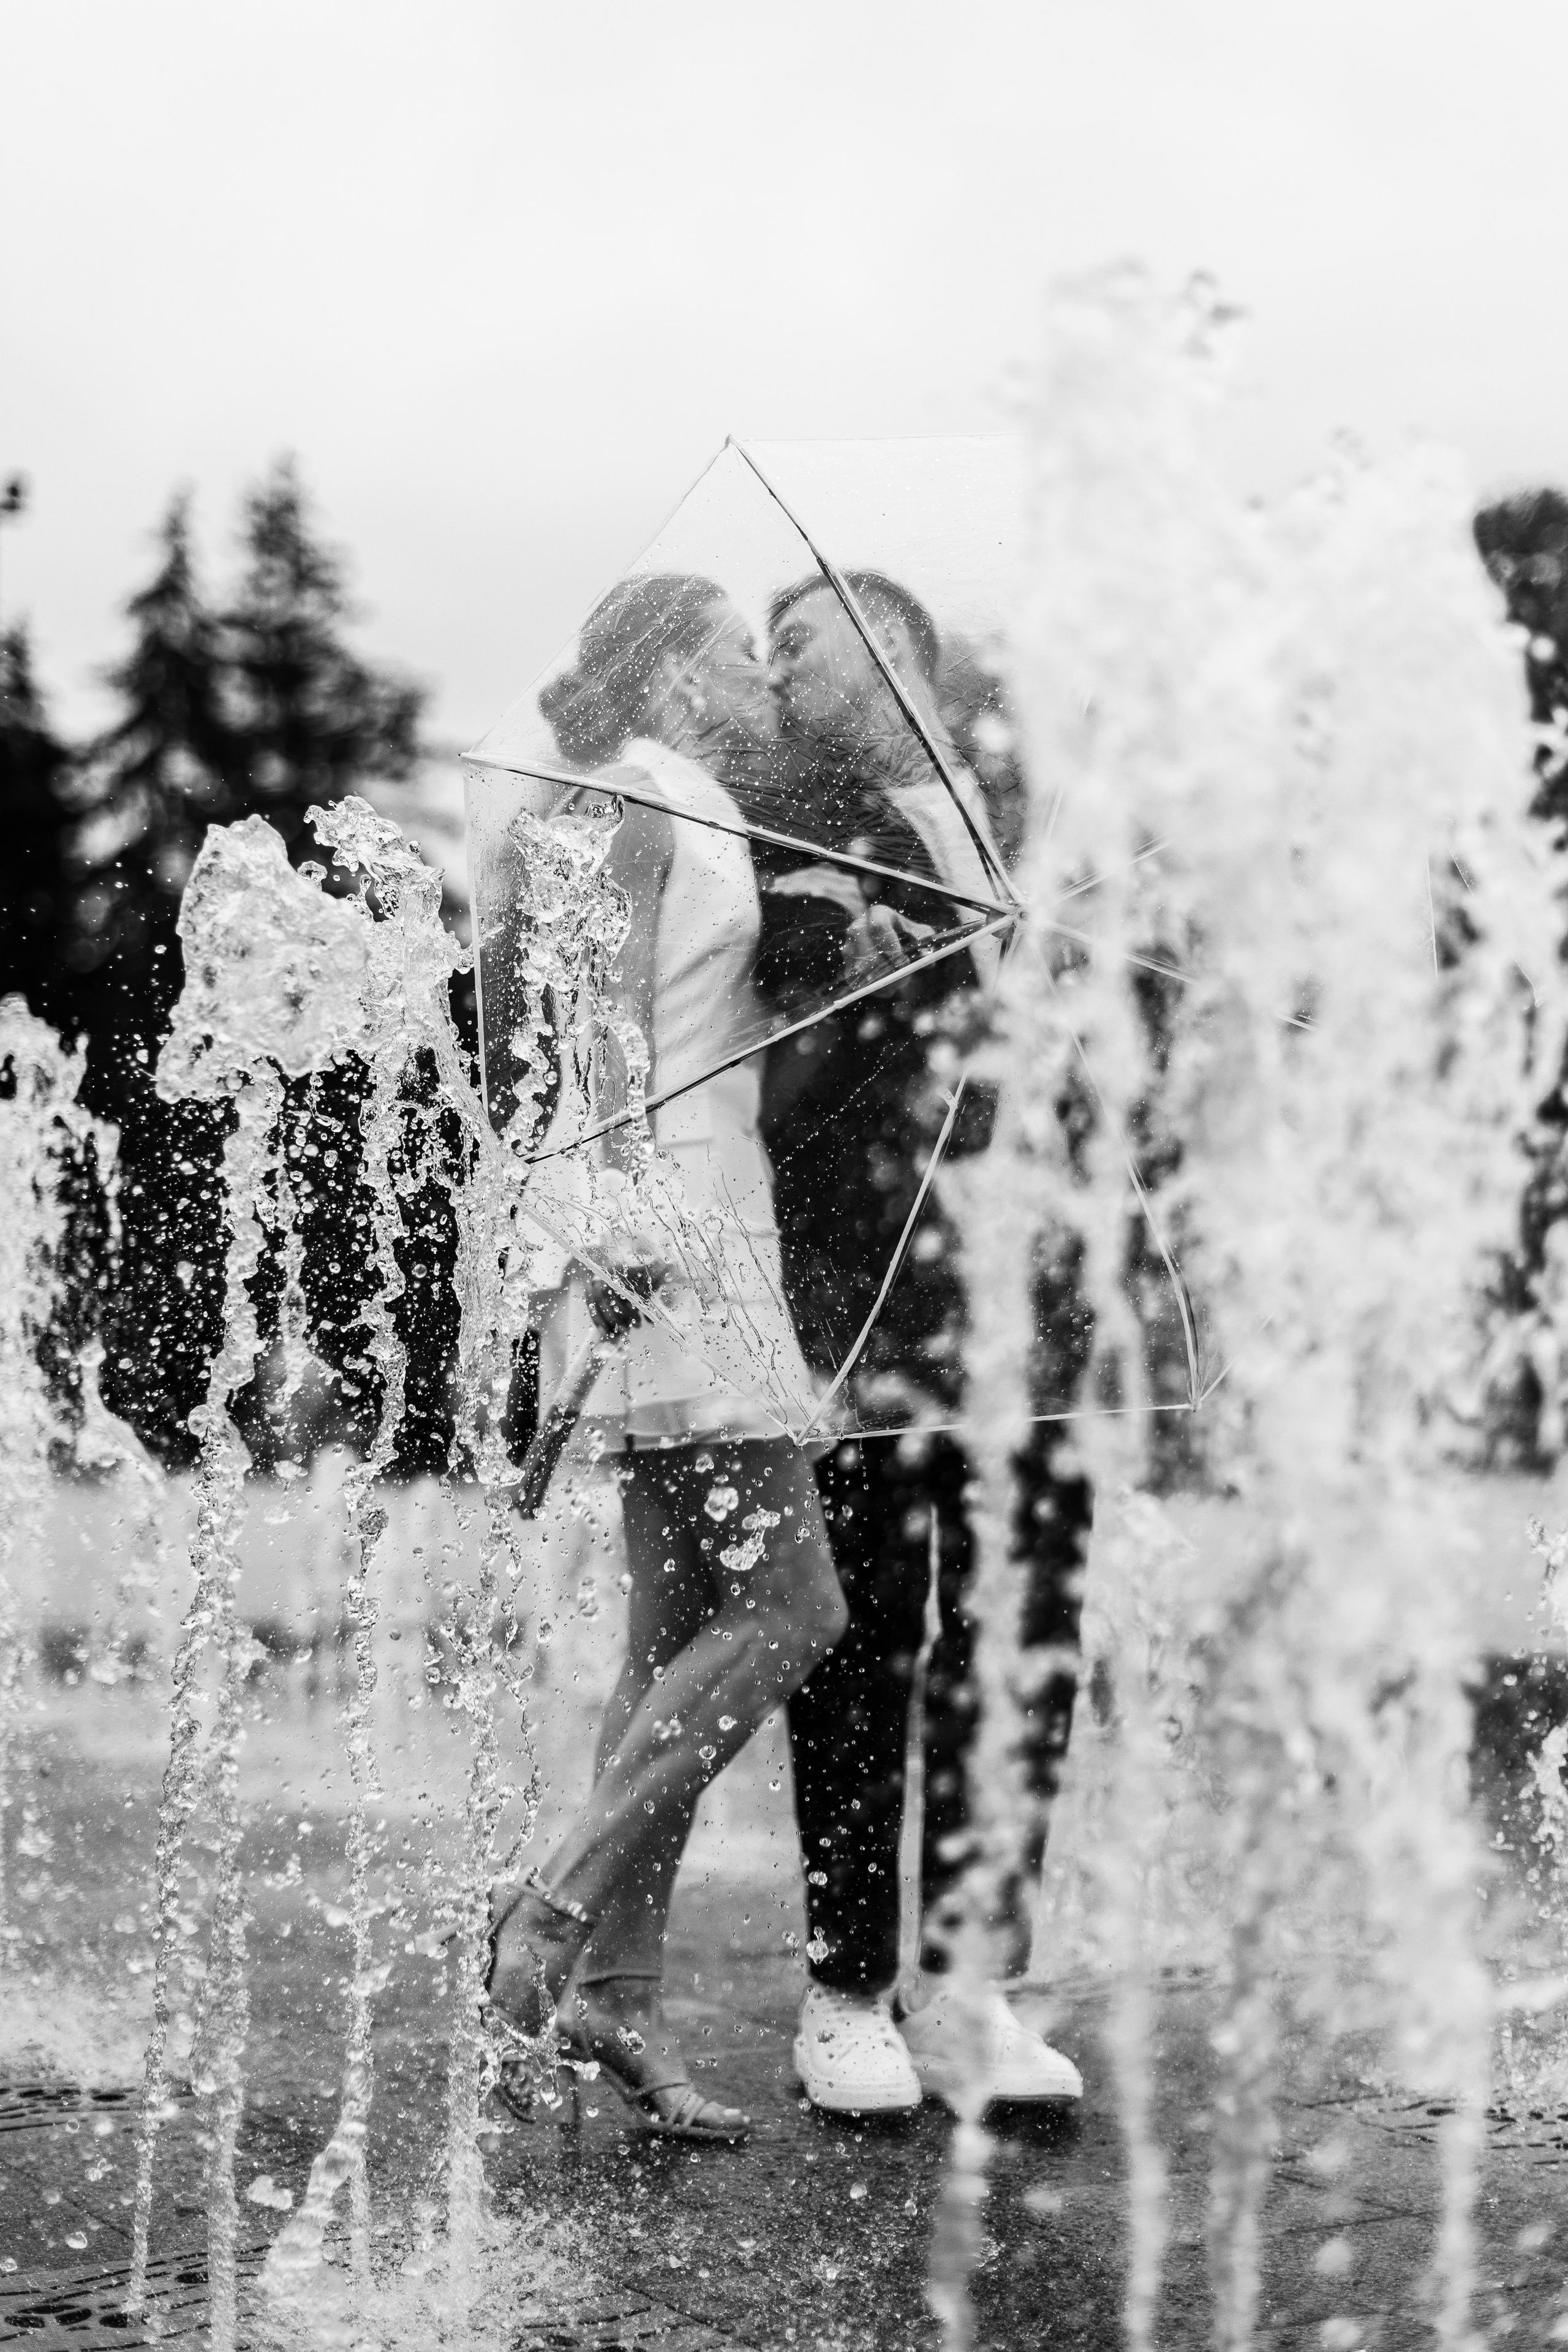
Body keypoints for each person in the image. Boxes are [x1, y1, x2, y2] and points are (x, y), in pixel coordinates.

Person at [484, 573, 847, 2143]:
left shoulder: (692, 802)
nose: (767, 681)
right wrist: (626, 1218)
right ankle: (552, 1910)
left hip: (704, 1213)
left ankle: (613, 2006)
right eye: (742, 654)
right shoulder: (635, 794)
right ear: (682, 672)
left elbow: (689, 1025)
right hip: (667, 1229)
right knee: (794, 1605)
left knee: (670, 1631)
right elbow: (597, 1024)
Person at [758, 571, 1091, 2116]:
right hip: (870, 1287)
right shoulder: (796, 831)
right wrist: (861, 973)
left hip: (1039, 1293)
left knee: (1019, 1643)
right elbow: (785, 1077)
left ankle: (971, 1984)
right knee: (868, 1638)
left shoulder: (1036, 814)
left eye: (801, 636)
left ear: (893, 642)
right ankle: (844, 1990)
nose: (774, 666)